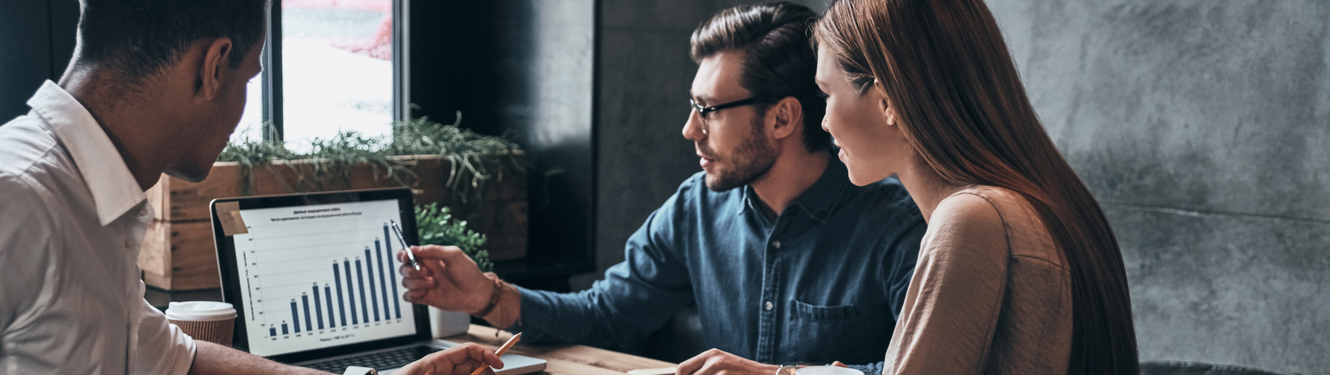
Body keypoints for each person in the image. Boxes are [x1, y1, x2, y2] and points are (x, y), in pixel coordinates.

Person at [396, 3, 926, 375]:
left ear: (783, 118)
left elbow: (926, 368)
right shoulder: (697, 207)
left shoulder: (899, 227)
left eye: (707, 111)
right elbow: (608, 316)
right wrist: (487, 295)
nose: (689, 130)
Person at [0, 1, 502, 374]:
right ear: (214, 66)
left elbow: (175, 356)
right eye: (248, 79)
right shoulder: (17, 197)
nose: (241, 116)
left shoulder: (88, 196)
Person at [812, 0, 1140, 374]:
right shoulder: (1050, 200)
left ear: (887, 101)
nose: (824, 122)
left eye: (827, 94)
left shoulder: (974, 219)